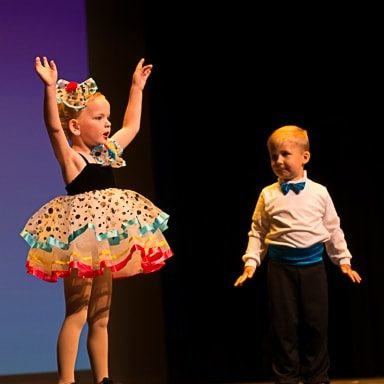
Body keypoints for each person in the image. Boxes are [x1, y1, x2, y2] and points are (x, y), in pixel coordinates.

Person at [20, 56, 173, 384]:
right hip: (81, 242)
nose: (108, 124)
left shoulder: (108, 153)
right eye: (100, 118)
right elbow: (53, 127)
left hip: (104, 243)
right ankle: (67, 379)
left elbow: (131, 127)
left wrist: (137, 88)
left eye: (108, 118)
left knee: (101, 316)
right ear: (76, 126)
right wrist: (50, 88)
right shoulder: (72, 158)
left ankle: (103, 378)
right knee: (77, 312)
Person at [234, 125, 361, 384]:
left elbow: (333, 228)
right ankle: (286, 378)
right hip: (280, 270)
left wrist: (344, 262)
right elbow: (257, 231)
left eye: (284, 154)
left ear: (305, 157)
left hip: (313, 268)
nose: (278, 161)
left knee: (316, 325)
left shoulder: (319, 192)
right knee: (283, 328)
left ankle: (317, 377)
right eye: (273, 156)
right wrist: (251, 263)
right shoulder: (267, 194)